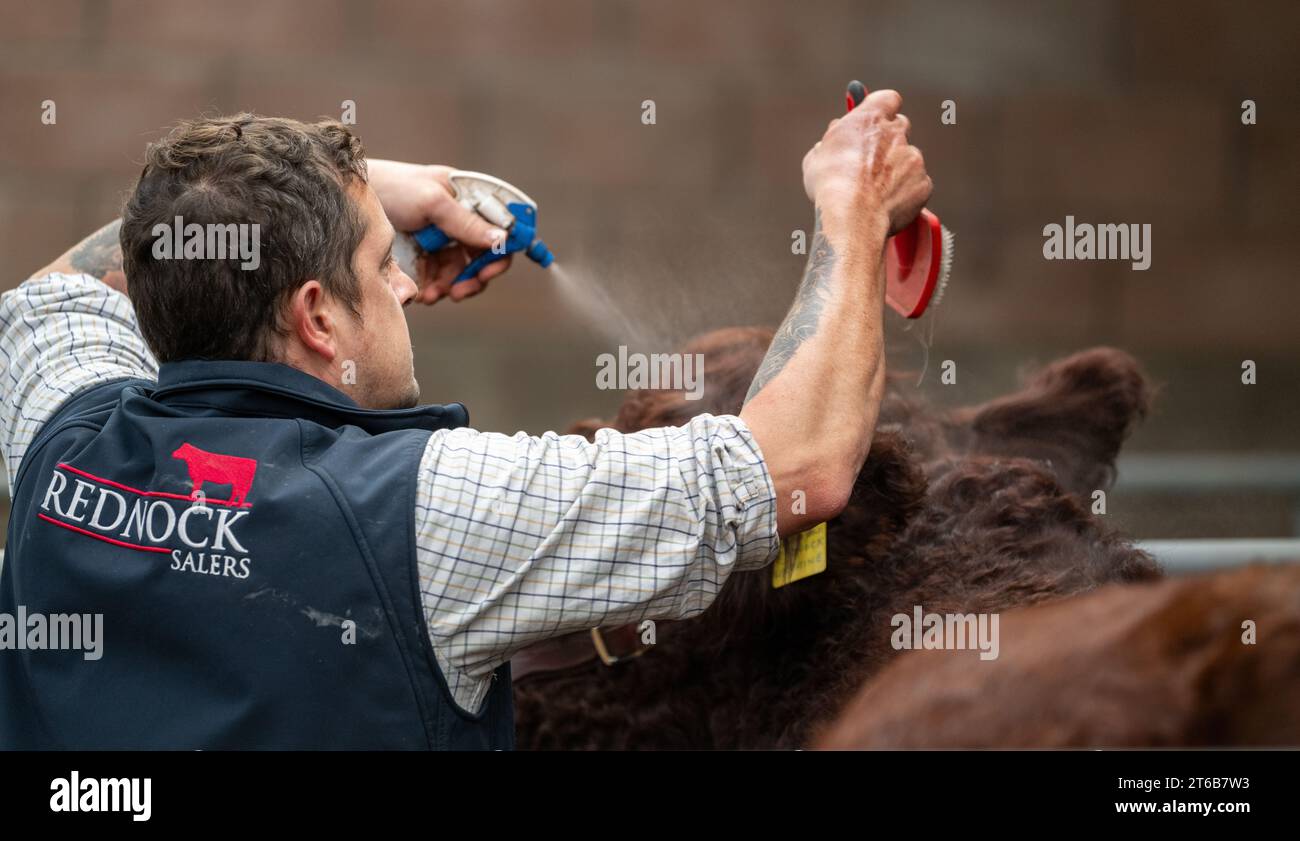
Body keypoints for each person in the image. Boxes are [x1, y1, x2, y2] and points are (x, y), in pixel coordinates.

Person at [0, 89, 930, 748]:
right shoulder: (429, 509)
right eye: (381, 261)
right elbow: (795, 468)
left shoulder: (65, 438)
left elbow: (57, 293)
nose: (406, 279)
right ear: (319, 317)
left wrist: (370, 190)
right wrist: (854, 212)